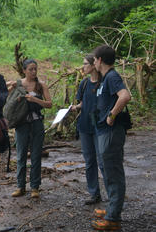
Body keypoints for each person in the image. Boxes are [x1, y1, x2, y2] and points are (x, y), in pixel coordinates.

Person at [91, 45, 131, 231]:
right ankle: (111, 208)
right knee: (107, 170)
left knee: (113, 172)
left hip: (111, 132)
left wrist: (112, 115)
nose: (93, 63)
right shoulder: (105, 78)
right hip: (102, 132)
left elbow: (125, 96)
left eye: (94, 59)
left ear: (99, 60)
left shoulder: (112, 76)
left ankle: (113, 218)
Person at [10, 59, 52, 198]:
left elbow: (49, 104)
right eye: (30, 69)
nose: (34, 72)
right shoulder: (18, 84)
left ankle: (35, 187)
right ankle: (20, 186)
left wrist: (35, 100)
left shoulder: (41, 86)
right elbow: (8, 100)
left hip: (37, 123)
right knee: (21, 155)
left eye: (35, 69)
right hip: (21, 124)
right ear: (24, 70)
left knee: (36, 155)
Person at [71, 54, 106, 205]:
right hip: (85, 126)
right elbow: (82, 103)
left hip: (100, 127)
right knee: (89, 161)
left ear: (93, 65)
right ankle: (94, 193)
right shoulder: (84, 83)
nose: (83, 67)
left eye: (85, 64)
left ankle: (112, 193)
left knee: (103, 161)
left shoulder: (105, 82)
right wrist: (75, 107)